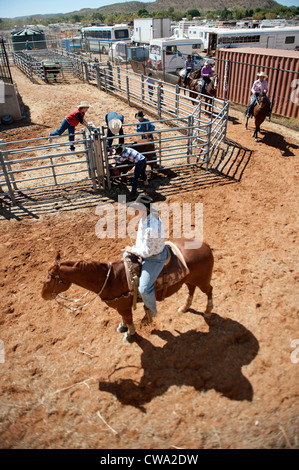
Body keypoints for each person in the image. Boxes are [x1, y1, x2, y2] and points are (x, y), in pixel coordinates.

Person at [125, 194, 167, 319]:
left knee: (144, 288)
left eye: (135, 208)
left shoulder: (151, 227)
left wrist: (133, 250)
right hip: (146, 250)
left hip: (155, 258)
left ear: (143, 209)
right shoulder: (147, 216)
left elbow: (148, 252)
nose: (133, 211)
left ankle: (152, 312)